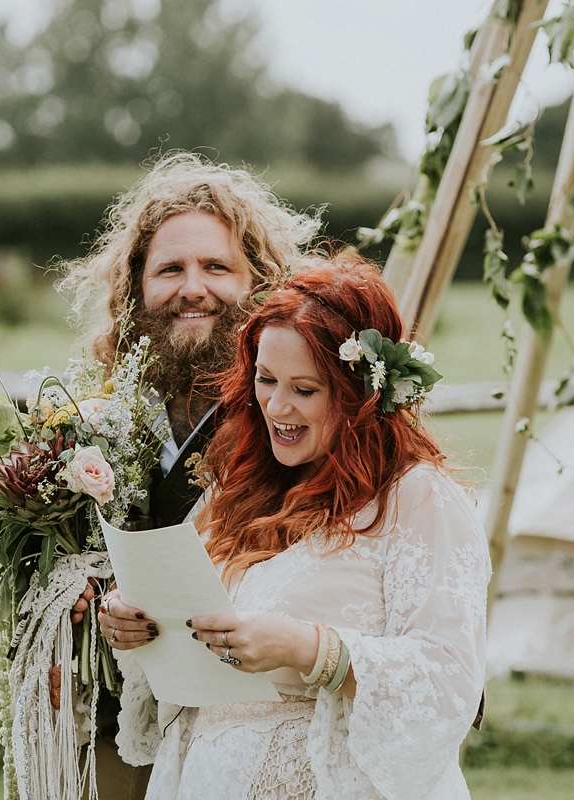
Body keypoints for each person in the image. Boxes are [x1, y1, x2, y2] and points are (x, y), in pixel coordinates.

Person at [98, 255, 490, 799]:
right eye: (265, 379)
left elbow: (449, 679)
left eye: (304, 390)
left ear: (360, 396)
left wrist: (309, 650)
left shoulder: (417, 497)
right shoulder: (236, 490)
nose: (277, 406)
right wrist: (137, 621)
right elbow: (194, 611)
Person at [55, 151, 322, 799]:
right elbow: (72, 576)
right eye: (170, 268)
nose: (192, 287)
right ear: (136, 291)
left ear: (258, 282)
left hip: (282, 726)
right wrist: (102, 611)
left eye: (216, 267)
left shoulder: (305, 412)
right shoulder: (102, 422)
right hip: (138, 725)